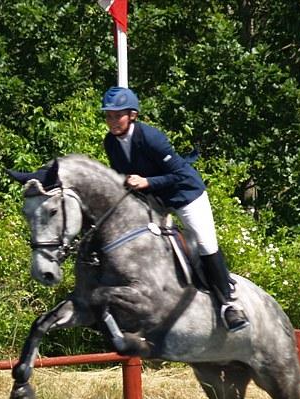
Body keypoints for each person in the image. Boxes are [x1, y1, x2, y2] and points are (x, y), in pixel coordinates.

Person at [100, 86, 249, 332]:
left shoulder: (150, 137)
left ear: (132, 115)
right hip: (154, 199)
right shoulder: (111, 142)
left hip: (185, 194)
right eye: (109, 116)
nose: (113, 121)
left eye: (118, 115)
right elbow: (122, 174)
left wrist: (148, 182)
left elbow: (179, 174)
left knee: (205, 243)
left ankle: (229, 304)